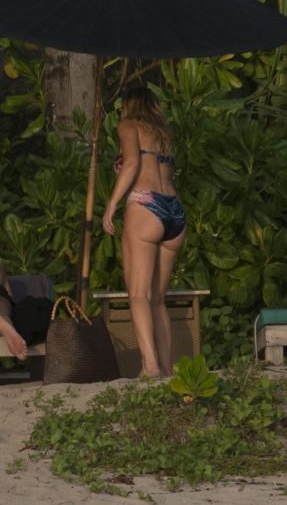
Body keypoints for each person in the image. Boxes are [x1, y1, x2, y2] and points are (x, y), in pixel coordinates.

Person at [103, 86, 185, 378]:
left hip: (146, 205)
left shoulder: (128, 125)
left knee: (138, 294)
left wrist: (112, 203)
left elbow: (134, 163)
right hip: (174, 210)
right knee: (157, 298)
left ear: (128, 106)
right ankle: (166, 368)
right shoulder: (163, 133)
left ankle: (150, 366)